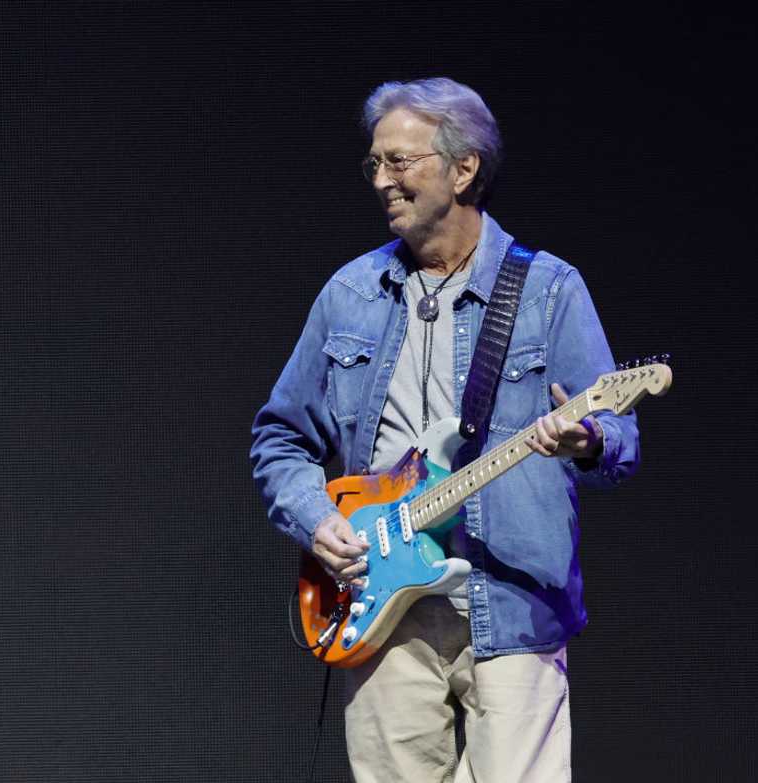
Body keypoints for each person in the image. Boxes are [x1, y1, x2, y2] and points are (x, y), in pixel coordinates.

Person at [251, 77, 640, 783]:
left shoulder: (550, 290)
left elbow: (620, 438)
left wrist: (590, 441)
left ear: (464, 169)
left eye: (400, 161)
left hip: (513, 601)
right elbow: (280, 438)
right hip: (383, 605)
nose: (382, 180)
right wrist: (317, 520)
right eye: (374, 163)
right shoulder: (350, 294)